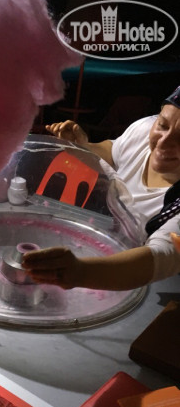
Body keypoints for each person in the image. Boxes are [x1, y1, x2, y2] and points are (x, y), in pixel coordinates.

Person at [22, 86, 180, 290]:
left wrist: (80, 272)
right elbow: (114, 152)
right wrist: (83, 147)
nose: (163, 143)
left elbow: (159, 257)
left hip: (150, 280)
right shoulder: (143, 130)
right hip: (113, 246)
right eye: (163, 125)